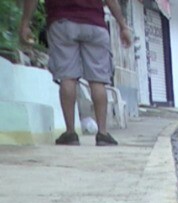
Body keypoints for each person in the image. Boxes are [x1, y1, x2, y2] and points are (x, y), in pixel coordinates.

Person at [19, 0, 132, 146]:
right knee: (98, 81)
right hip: (94, 24)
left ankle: (70, 133)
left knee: (67, 77)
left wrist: (25, 23)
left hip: (62, 23)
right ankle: (103, 133)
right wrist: (123, 26)